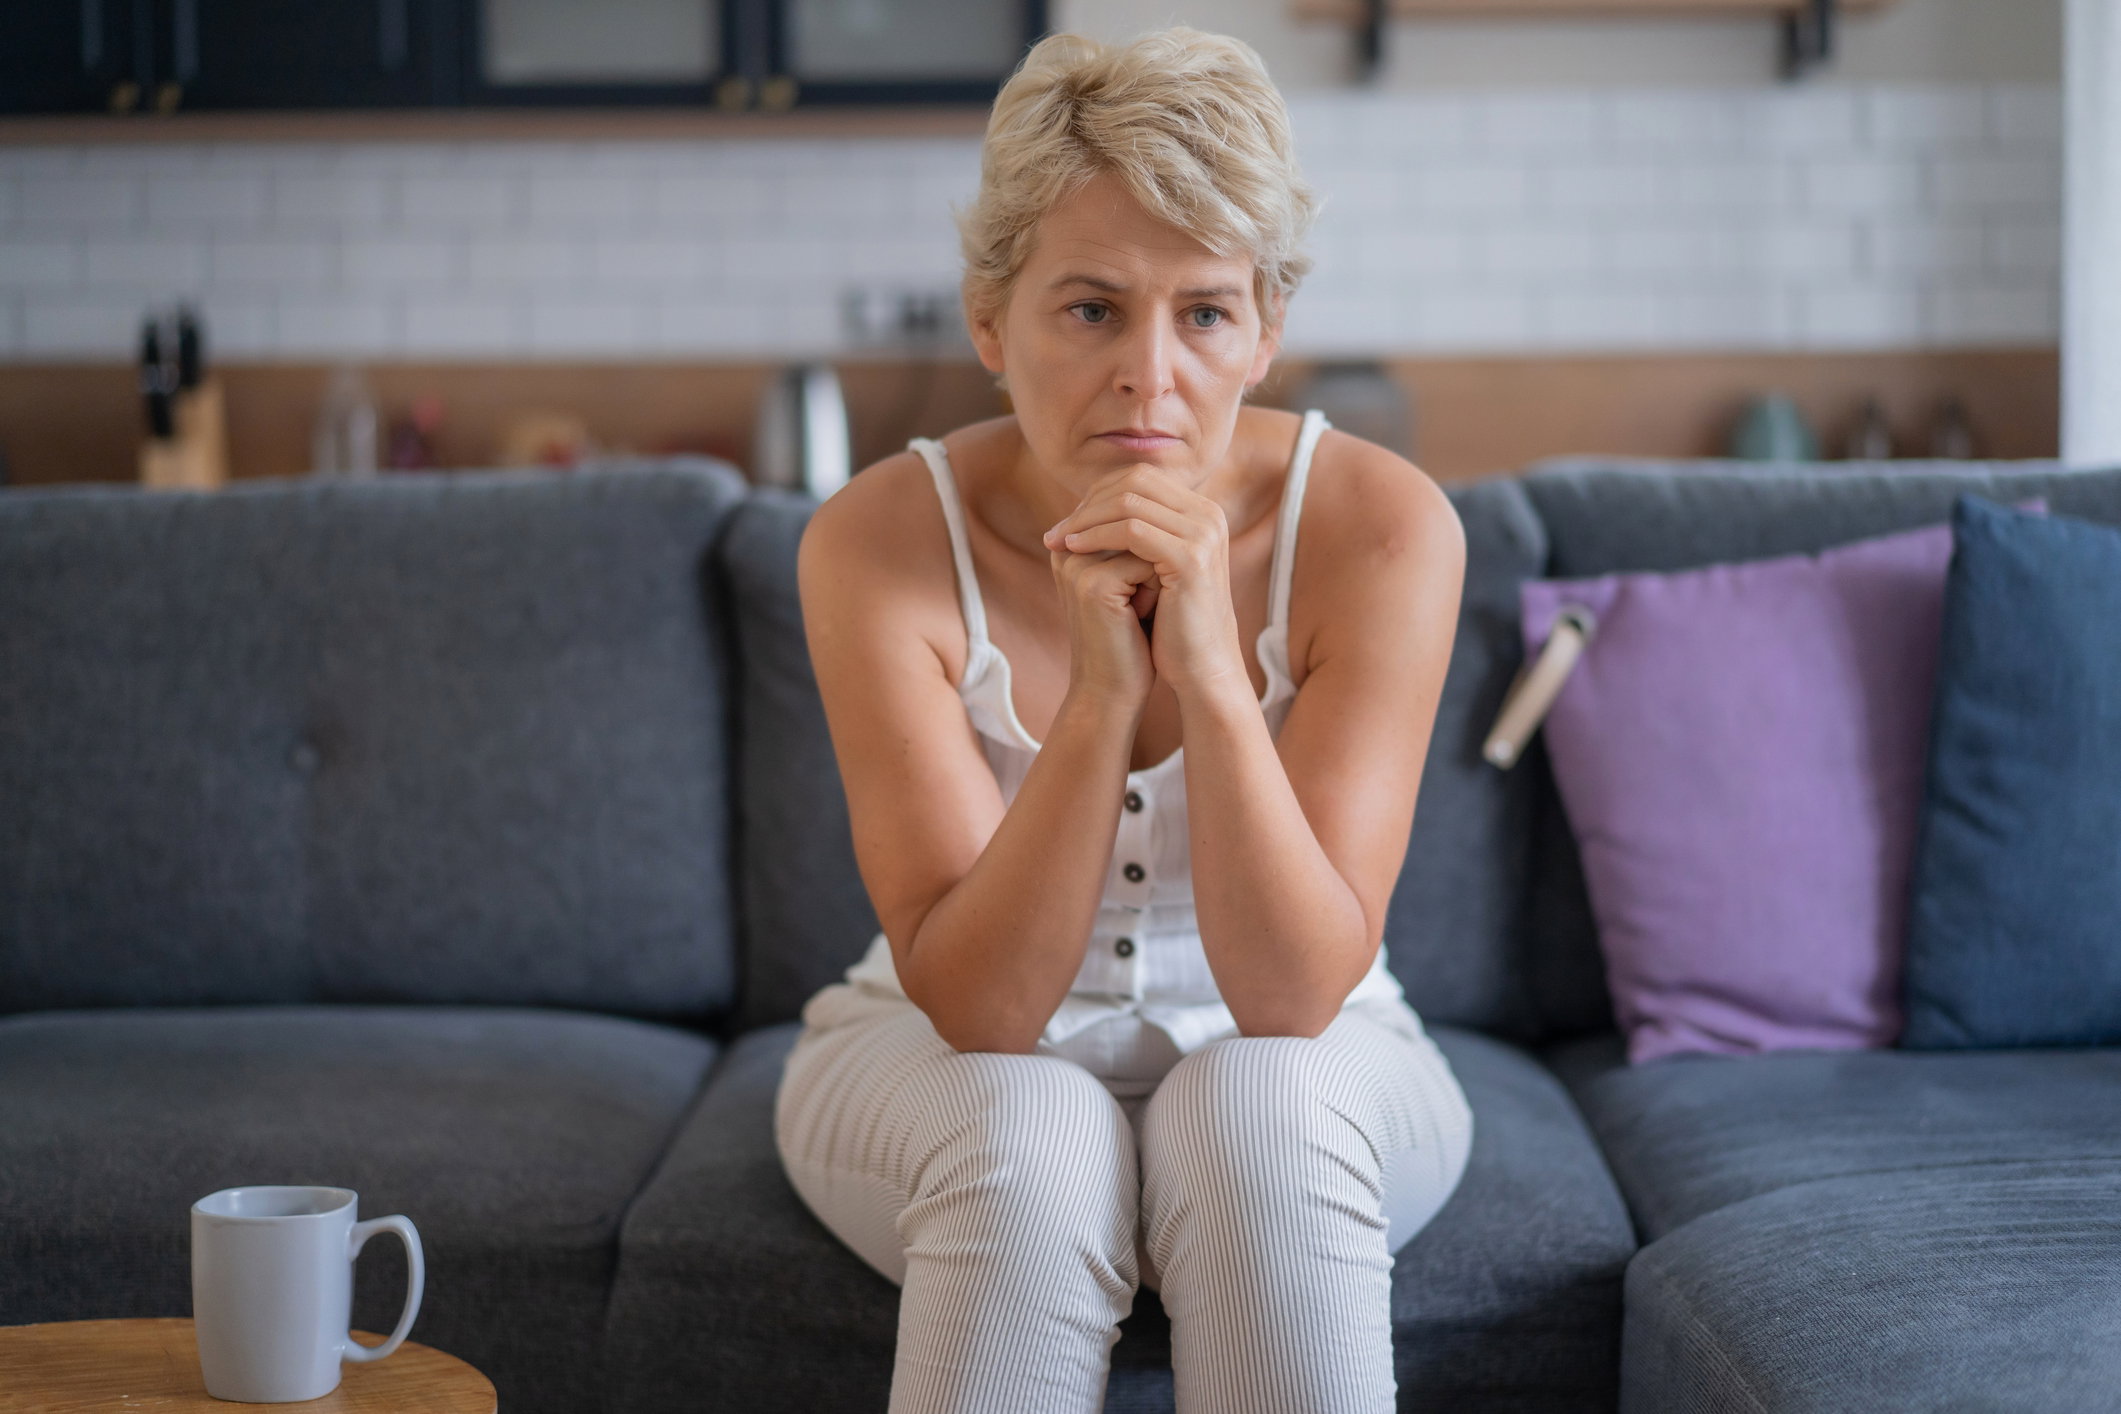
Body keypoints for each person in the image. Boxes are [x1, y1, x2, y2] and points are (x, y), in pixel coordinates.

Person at [774, 25, 1474, 1414]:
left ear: (1264, 331)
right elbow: (976, 1007)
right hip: (938, 1051)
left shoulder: (1384, 529)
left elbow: (1289, 1000)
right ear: (991, 321)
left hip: (1318, 1048)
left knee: (1257, 1107)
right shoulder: (877, 541)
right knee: (1031, 1132)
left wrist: (1210, 667)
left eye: (1204, 313)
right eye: (1090, 307)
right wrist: (1101, 694)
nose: (1148, 377)